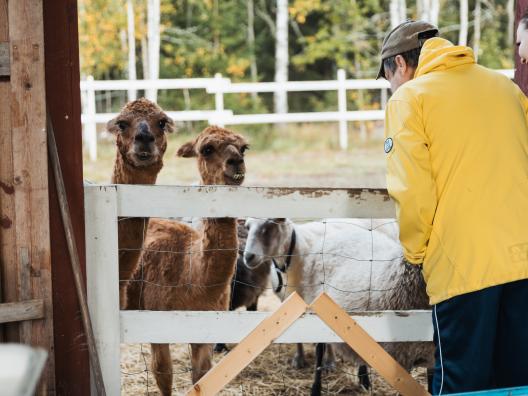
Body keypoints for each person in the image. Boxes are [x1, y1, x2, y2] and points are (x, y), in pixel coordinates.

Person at [378, 20, 528, 394]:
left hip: (464, 263)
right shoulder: (506, 88)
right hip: (524, 256)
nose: (391, 87)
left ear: (399, 64)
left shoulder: (410, 99)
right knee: (518, 379)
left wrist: (417, 253)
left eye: (387, 78)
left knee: (463, 379)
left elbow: (411, 190)